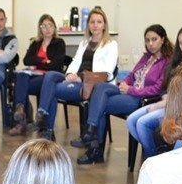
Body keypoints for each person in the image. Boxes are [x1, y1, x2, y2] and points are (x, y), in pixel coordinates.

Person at [74, 24, 173, 165]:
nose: (150, 44)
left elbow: (157, 89)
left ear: (162, 39)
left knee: (97, 104)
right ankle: (91, 134)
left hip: (140, 98)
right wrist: (123, 84)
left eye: (154, 39)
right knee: (100, 87)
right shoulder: (146, 57)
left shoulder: (167, 62)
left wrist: (130, 90)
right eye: (147, 40)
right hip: (128, 92)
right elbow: (132, 75)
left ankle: (93, 145)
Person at [33, 7, 117, 140]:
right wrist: (69, 75)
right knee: (50, 76)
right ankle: (42, 115)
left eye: (99, 22)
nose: (95, 25)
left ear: (104, 25)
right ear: (88, 24)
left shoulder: (111, 45)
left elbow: (107, 71)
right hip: (76, 78)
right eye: (92, 22)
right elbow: (74, 62)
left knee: (52, 90)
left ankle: (47, 131)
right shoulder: (84, 43)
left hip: (92, 84)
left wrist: (81, 77)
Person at [126, 25, 182, 158]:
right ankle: (156, 153)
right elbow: (164, 86)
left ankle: (151, 157)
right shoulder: (177, 60)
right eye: (181, 43)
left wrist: (161, 104)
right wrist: (164, 98)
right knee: (131, 121)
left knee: (141, 124)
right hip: (168, 104)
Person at [8, 14, 66, 136]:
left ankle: (21, 123)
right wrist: (44, 61)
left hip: (49, 78)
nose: (47, 29)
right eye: (44, 26)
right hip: (35, 76)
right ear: (40, 28)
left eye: (50, 25)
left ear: (54, 28)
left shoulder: (59, 43)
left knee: (20, 86)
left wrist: (38, 62)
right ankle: (20, 109)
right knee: (21, 75)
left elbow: (55, 65)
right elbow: (26, 60)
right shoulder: (36, 43)